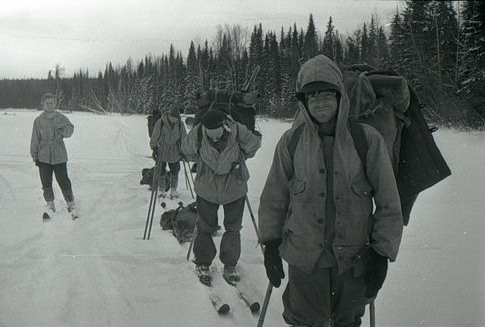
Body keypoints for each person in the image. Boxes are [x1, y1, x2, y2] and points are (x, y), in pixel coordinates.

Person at [258, 54, 403, 326]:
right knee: (304, 321)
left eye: (327, 94)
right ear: (303, 102)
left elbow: (388, 202)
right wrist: (270, 244)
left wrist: (382, 253)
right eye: (312, 96)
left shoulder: (366, 139)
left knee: (347, 322)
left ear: (340, 97)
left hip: (353, 262)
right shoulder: (291, 142)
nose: (320, 102)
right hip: (304, 260)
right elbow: (274, 198)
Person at [181, 110, 261, 284]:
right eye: (211, 136)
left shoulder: (238, 130)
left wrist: (242, 155)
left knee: (233, 228)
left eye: (217, 136)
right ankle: (203, 262)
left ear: (224, 125)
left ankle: (230, 264)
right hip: (207, 189)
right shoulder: (199, 131)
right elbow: (187, 150)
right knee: (204, 227)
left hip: (234, 188)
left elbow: (254, 145)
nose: (215, 139)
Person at [30, 93, 77, 218]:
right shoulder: (38, 121)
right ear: (43, 104)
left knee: (63, 180)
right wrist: (35, 156)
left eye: (52, 103)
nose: (49, 105)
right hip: (43, 156)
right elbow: (35, 139)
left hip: (59, 155)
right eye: (47, 103)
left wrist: (63, 129)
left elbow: (70, 131)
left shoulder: (61, 117)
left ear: (55, 104)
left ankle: (70, 203)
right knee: (46, 182)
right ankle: (50, 204)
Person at [150, 108, 187, 199]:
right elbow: (155, 135)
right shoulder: (161, 122)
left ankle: (173, 189)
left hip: (175, 149)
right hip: (162, 149)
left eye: (177, 119)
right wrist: (154, 148)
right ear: (169, 116)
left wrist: (184, 150)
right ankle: (162, 189)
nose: (175, 120)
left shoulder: (180, 124)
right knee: (161, 170)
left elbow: (184, 137)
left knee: (175, 170)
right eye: (174, 118)